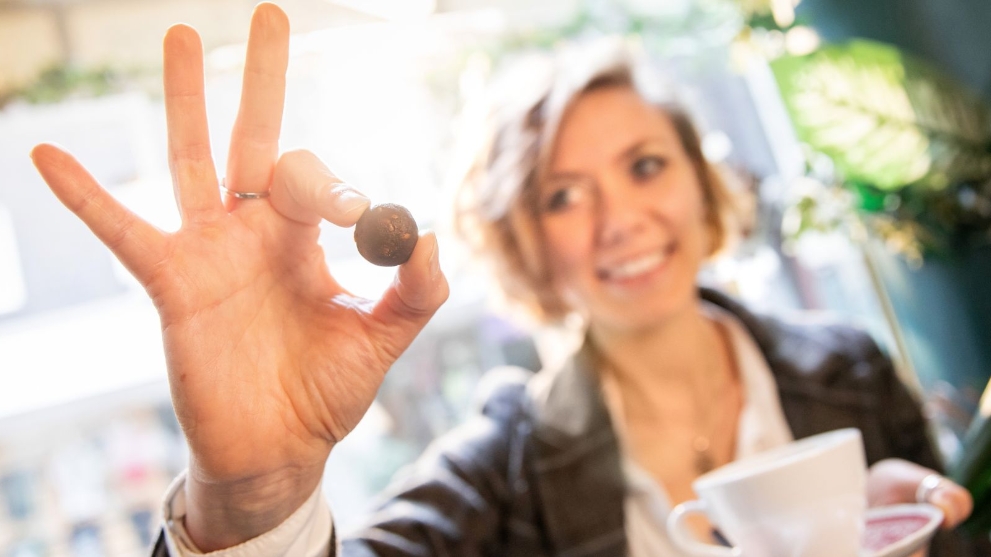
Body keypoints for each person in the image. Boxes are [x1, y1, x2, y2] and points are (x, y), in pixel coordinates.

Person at [29, 3, 981, 556]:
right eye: (563, 194)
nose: (618, 218)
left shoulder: (850, 374)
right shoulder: (500, 469)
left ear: (700, 184)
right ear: (523, 240)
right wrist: (253, 494)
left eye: (646, 166)